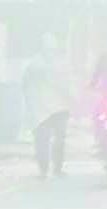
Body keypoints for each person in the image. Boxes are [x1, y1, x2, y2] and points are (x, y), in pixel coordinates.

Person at [23, 40, 73, 178]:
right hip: (45, 108)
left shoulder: (39, 64)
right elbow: (27, 86)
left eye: (52, 49)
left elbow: (25, 86)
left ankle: (52, 168)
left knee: (54, 140)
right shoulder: (36, 65)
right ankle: (46, 169)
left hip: (54, 108)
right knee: (44, 140)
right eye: (48, 49)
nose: (50, 52)